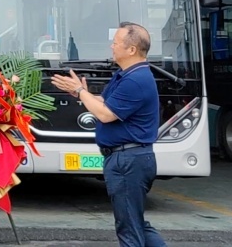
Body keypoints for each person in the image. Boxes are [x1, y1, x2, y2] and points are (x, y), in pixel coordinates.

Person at [52, 22, 166, 247]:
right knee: (135, 223)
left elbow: (105, 114)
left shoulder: (136, 79)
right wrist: (81, 93)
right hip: (125, 158)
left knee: (129, 228)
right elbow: (105, 102)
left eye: (115, 43)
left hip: (128, 160)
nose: (111, 47)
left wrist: (80, 91)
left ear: (131, 49)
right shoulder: (125, 75)